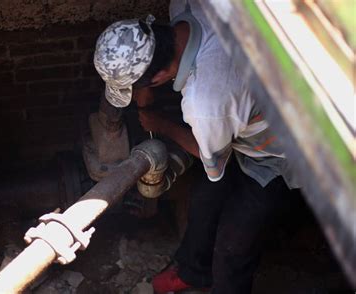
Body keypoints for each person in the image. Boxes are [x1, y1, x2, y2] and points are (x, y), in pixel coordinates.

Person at [93, 1, 300, 293]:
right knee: (203, 199)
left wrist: (162, 125)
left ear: (158, 77)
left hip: (280, 150)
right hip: (253, 107)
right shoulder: (187, 6)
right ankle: (193, 272)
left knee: (233, 244)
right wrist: (144, 94)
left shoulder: (207, 103)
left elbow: (211, 160)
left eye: (138, 85)